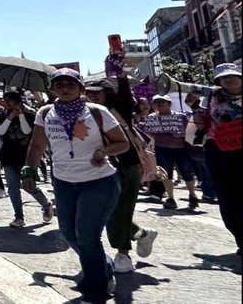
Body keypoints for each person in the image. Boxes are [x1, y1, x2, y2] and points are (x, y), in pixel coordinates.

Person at [22, 68, 130, 304]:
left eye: (70, 84)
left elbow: (123, 143)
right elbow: (37, 145)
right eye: (59, 84)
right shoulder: (44, 113)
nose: (64, 88)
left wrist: (104, 151)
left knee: (88, 236)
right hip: (63, 182)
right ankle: (103, 267)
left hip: (99, 182)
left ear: (81, 89)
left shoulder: (97, 112)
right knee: (70, 234)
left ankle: (95, 290)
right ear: (52, 89)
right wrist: (29, 168)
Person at [82, 77, 159, 273]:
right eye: (88, 93)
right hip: (98, 168)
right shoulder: (84, 113)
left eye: (96, 92)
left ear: (107, 94)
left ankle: (123, 253)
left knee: (121, 209)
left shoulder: (119, 109)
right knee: (106, 210)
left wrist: (121, 75)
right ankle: (141, 234)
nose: (91, 96)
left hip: (126, 167)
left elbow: (124, 94)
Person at [0, 89, 55, 228]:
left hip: (25, 156)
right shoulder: (3, 116)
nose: (8, 103)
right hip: (8, 155)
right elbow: (0, 131)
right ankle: (19, 217)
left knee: (29, 186)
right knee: (12, 188)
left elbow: (27, 131)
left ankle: (46, 205)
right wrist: (10, 117)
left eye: (11, 100)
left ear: (18, 102)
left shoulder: (30, 115)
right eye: (6, 100)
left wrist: (21, 114)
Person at [200, 63, 241, 254]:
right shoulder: (210, 97)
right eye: (224, 78)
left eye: (234, 76)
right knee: (227, 194)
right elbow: (201, 119)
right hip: (219, 150)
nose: (230, 80)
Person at [140, 95, 199, 209]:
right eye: (157, 102)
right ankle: (170, 198)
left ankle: (192, 195)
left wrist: (180, 134)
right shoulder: (151, 118)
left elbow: (191, 132)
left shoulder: (181, 117)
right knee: (165, 174)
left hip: (180, 148)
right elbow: (148, 134)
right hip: (161, 149)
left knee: (186, 172)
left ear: (169, 104)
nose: (160, 104)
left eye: (163, 102)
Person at [183, 92, 216, 203]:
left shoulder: (204, 110)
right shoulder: (199, 111)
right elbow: (200, 125)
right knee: (205, 169)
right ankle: (208, 193)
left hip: (202, 143)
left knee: (205, 169)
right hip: (199, 143)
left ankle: (209, 193)